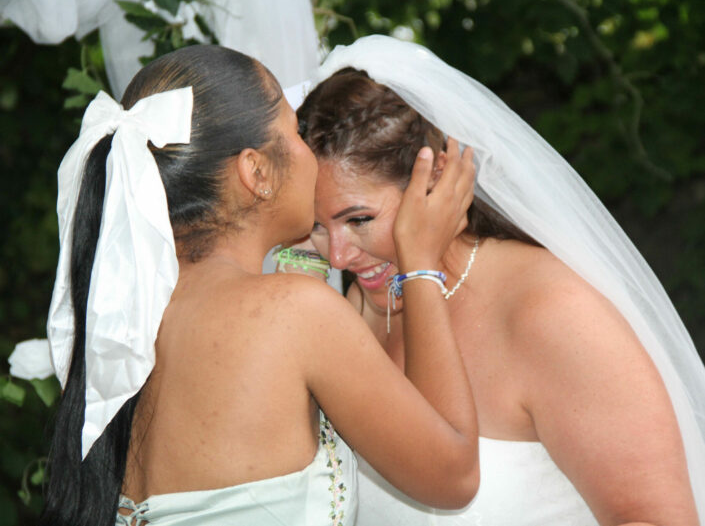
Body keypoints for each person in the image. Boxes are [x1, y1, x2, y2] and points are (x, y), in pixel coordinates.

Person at [39, 45, 482, 526]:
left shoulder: (124, 319)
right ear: (256, 172)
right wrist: (418, 260)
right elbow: (453, 475)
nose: (307, 150)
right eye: (293, 130)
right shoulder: (295, 312)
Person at [297, 35, 705, 526]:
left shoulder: (555, 313)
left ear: (438, 176)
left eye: (359, 219)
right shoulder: (362, 308)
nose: (338, 256)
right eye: (318, 226)